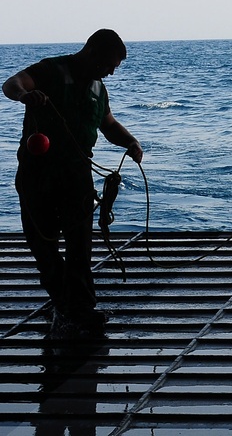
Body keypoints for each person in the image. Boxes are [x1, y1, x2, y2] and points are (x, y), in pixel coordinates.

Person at [3, 28, 143, 339]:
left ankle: (81, 309)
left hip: (77, 175)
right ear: (91, 52)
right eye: (109, 64)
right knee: (43, 242)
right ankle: (65, 302)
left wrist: (129, 142)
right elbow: (11, 83)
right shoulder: (51, 70)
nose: (111, 72)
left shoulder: (98, 88)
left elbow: (107, 124)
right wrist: (26, 95)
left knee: (80, 245)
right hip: (38, 174)